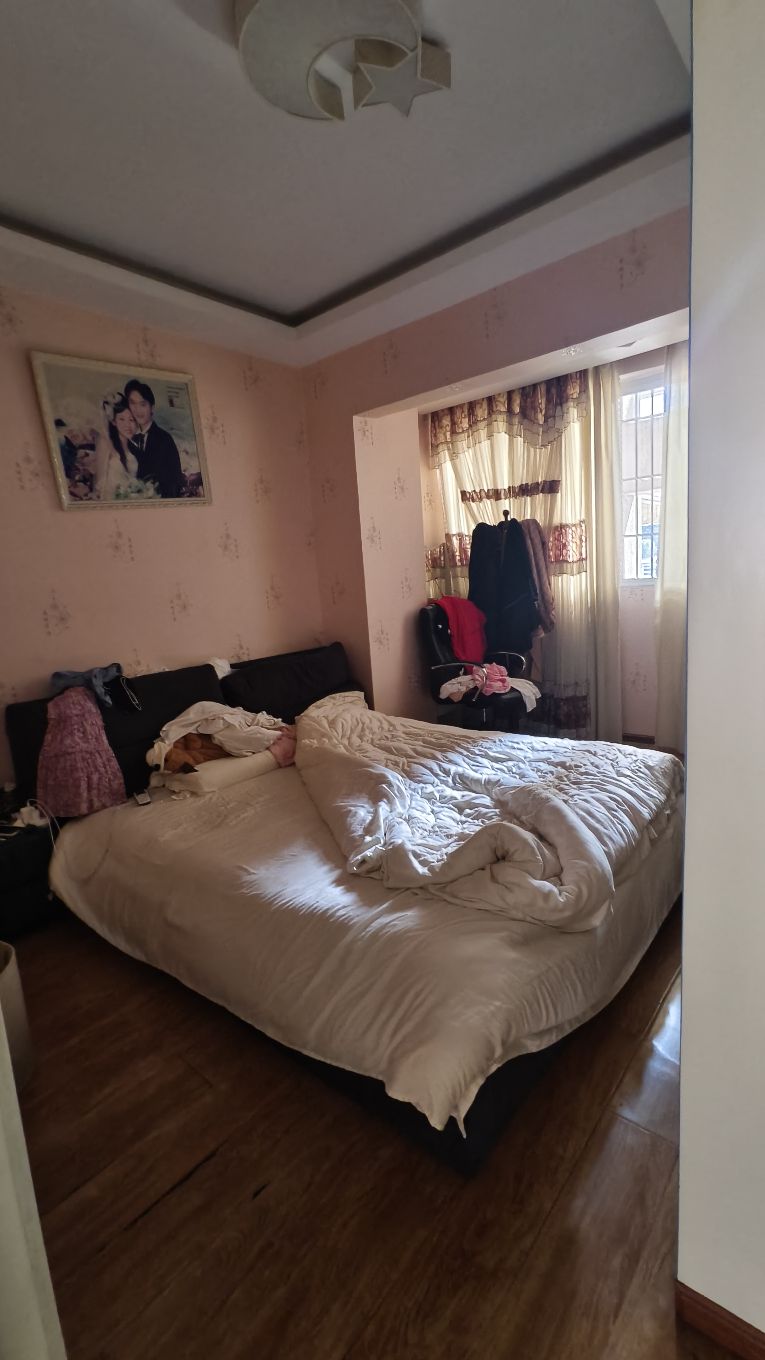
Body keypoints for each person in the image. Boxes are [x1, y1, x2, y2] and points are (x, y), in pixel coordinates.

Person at [124, 379, 184, 498]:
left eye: (143, 404)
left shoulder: (165, 439)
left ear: (152, 408)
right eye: (133, 403)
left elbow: (175, 482)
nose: (137, 410)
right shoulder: (126, 438)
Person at [94, 395, 141, 499]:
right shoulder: (106, 443)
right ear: (114, 422)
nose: (127, 425)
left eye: (131, 420)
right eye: (122, 419)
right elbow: (99, 483)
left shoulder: (135, 448)